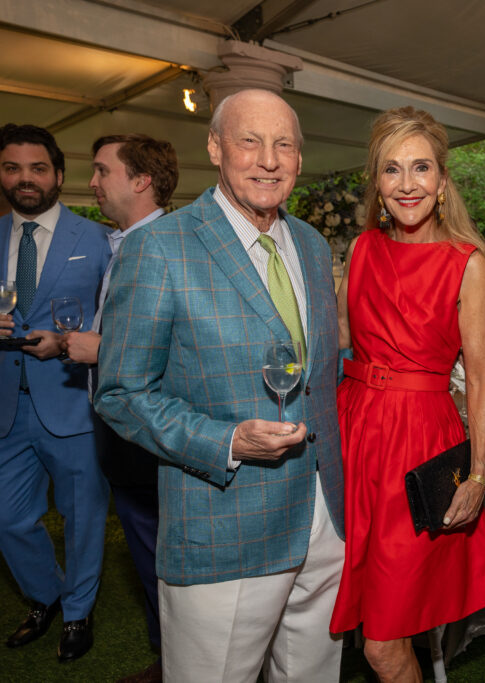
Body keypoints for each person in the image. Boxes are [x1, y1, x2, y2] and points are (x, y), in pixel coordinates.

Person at [93, 89, 345, 683]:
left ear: (300, 160)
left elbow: (319, 375)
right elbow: (122, 393)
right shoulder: (161, 247)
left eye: (284, 144)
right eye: (249, 140)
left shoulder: (309, 244)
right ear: (215, 147)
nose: (269, 159)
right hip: (224, 523)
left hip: (324, 518)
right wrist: (227, 441)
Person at [330, 106, 485, 681]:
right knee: (346, 615)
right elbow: (339, 342)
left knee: (381, 640)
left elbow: (479, 377)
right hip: (352, 433)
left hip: (419, 446)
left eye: (421, 168)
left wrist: (478, 475)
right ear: (376, 182)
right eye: (392, 170)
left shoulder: (467, 263)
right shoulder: (360, 252)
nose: (407, 185)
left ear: (443, 180)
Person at [62, 133, 178, 683]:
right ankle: (174, 659)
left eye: (102, 171)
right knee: (148, 553)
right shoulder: (125, 242)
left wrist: (100, 347)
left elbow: (182, 343)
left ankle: (181, 664)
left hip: (147, 434)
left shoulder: (162, 246)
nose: (92, 183)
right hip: (123, 434)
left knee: (162, 559)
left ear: (140, 180)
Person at [0, 123, 111, 661]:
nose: (25, 178)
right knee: (7, 517)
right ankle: (45, 594)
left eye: (37, 168)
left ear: (58, 176)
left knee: (84, 516)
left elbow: (121, 319)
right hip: (5, 408)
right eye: (13, 167)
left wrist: (68, 342)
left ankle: (76, 612)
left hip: (71, 402)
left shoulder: (94, 239)